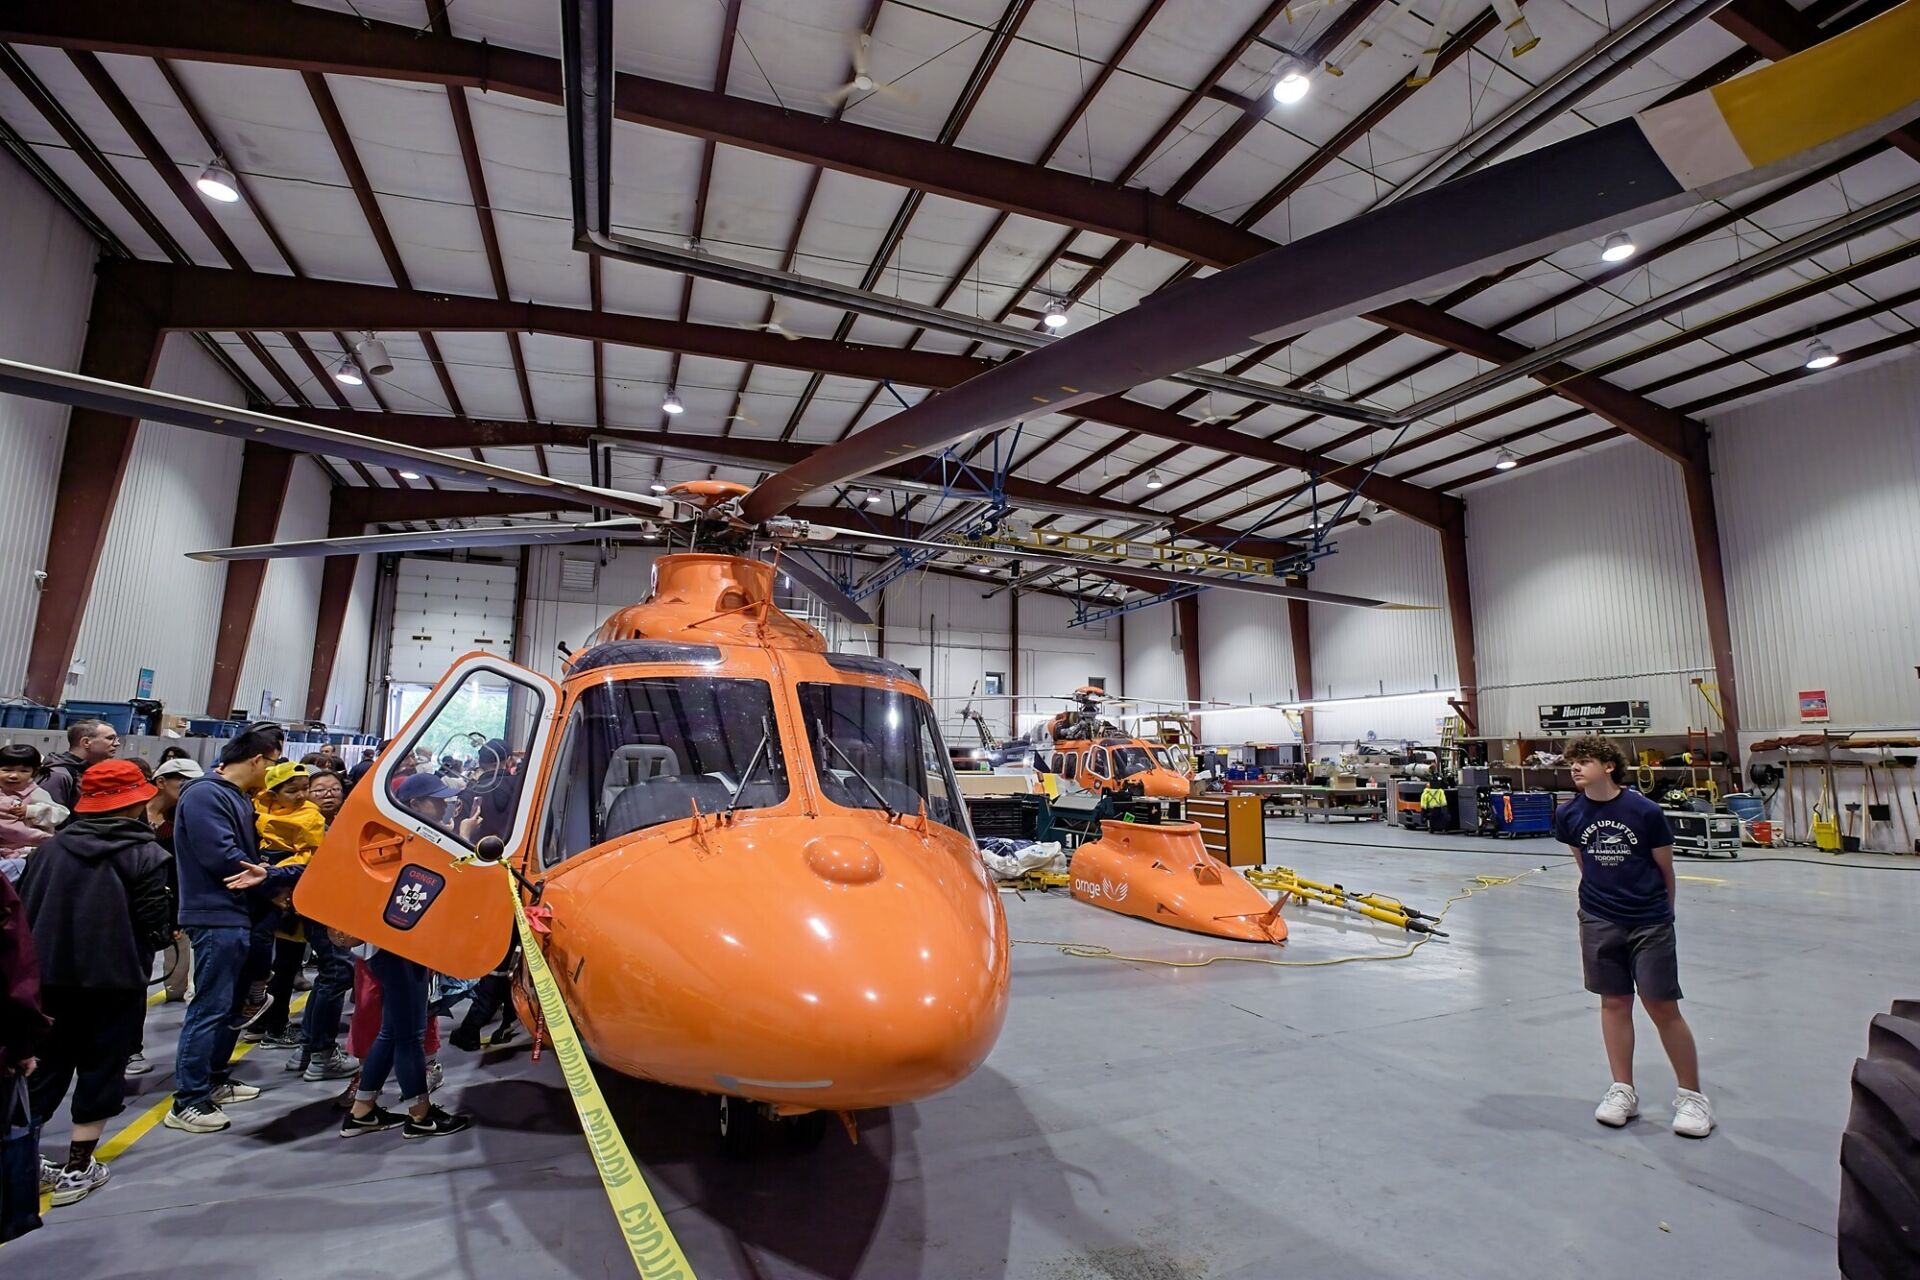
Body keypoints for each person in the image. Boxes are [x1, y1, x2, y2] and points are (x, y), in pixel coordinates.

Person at [17, 761, 173, 1205]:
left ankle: (25, 1163)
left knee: (43, 1070)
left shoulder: (51, 850)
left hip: (47, 981)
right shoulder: (147, 855)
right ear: (138, 802)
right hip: (114, 982)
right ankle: (79, 1167)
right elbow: (156, 929)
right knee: (101, 1069)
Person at [1555, 735, 1712, 1139]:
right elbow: (1585, 865)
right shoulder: (1570, 814)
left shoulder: (1644, 811)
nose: (1574, 768)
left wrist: (1663, 915)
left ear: (1609, 766)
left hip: (1649, 920)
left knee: (1662, 1006)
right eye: (1572, 762)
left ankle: (1692, 1097)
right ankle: (1622, 1090)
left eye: (1584, 761)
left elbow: (1665, 870)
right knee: (1614, 1002)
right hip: (1598, 918)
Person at [167, 723, 289, 1134]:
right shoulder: (204, 794)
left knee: (229, 1007)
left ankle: (214, 1079)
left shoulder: (234, 797)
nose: (272, 772)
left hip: (238, 915)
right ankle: (187, 1101)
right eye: (272, 763)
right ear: (257, 759)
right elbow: (222, 857)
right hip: (215, 915)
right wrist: (273, 880)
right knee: (209, 1007)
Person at [340, 944, 470, 1141]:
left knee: (392, 1032)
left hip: (385, 946)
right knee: (408, 1035)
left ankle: (362, 1112)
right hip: (399, 946)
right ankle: (421, 1116)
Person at [287, 770, 356, 1082]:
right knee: (338, 973)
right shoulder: (306, 824)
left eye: (335, 789)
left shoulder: (344, 820)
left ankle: (307, 1048)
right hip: (322, 908)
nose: (329, 794)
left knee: (330, 975)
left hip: (335, 906)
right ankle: (322, 1054)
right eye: (320, 790)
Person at [249, 763, 324, 1048]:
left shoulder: (311, 817)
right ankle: (264, 1023)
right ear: (274, 791)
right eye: (292, 790)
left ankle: (273, 1023)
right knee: (264, 960)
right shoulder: (257, 809)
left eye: (305, 789)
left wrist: (275, 876)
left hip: (290, 895)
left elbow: (308, 857)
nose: (301, 795)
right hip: (263, 893)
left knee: (286, 963)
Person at [150, 758, 203, 1008]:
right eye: (183, 781)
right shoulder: (135, 811)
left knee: (174, 988)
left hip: (175, 894)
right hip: (138, 896)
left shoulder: (186, 816)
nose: (189, 788)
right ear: (161, 782)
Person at [0, 744, 68, 882]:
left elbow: (61, 813)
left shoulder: (36, 793)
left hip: (28, 849)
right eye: (6, 770)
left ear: (34, 772)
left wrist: (31, 811)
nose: (14, 776)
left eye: (23, 771)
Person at [37, 719, 120, 810]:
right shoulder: (58, 774)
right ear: (86, 742)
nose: (117, 744)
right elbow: (48, 816)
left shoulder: (92, 770)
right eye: (110, 738)